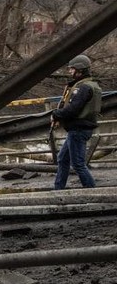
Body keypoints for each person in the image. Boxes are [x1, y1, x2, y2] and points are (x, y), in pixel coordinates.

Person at [52, 54, 101, 189]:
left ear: (80, 69)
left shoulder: (84, 87)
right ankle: (58, 190)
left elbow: (73, 109)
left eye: (72, 69)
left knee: (78, 164)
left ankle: (92, 193)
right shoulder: (90, 85)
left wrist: (56, 113)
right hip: (78, 129)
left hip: (78, 130)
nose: (70, 72)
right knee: (62, 159)